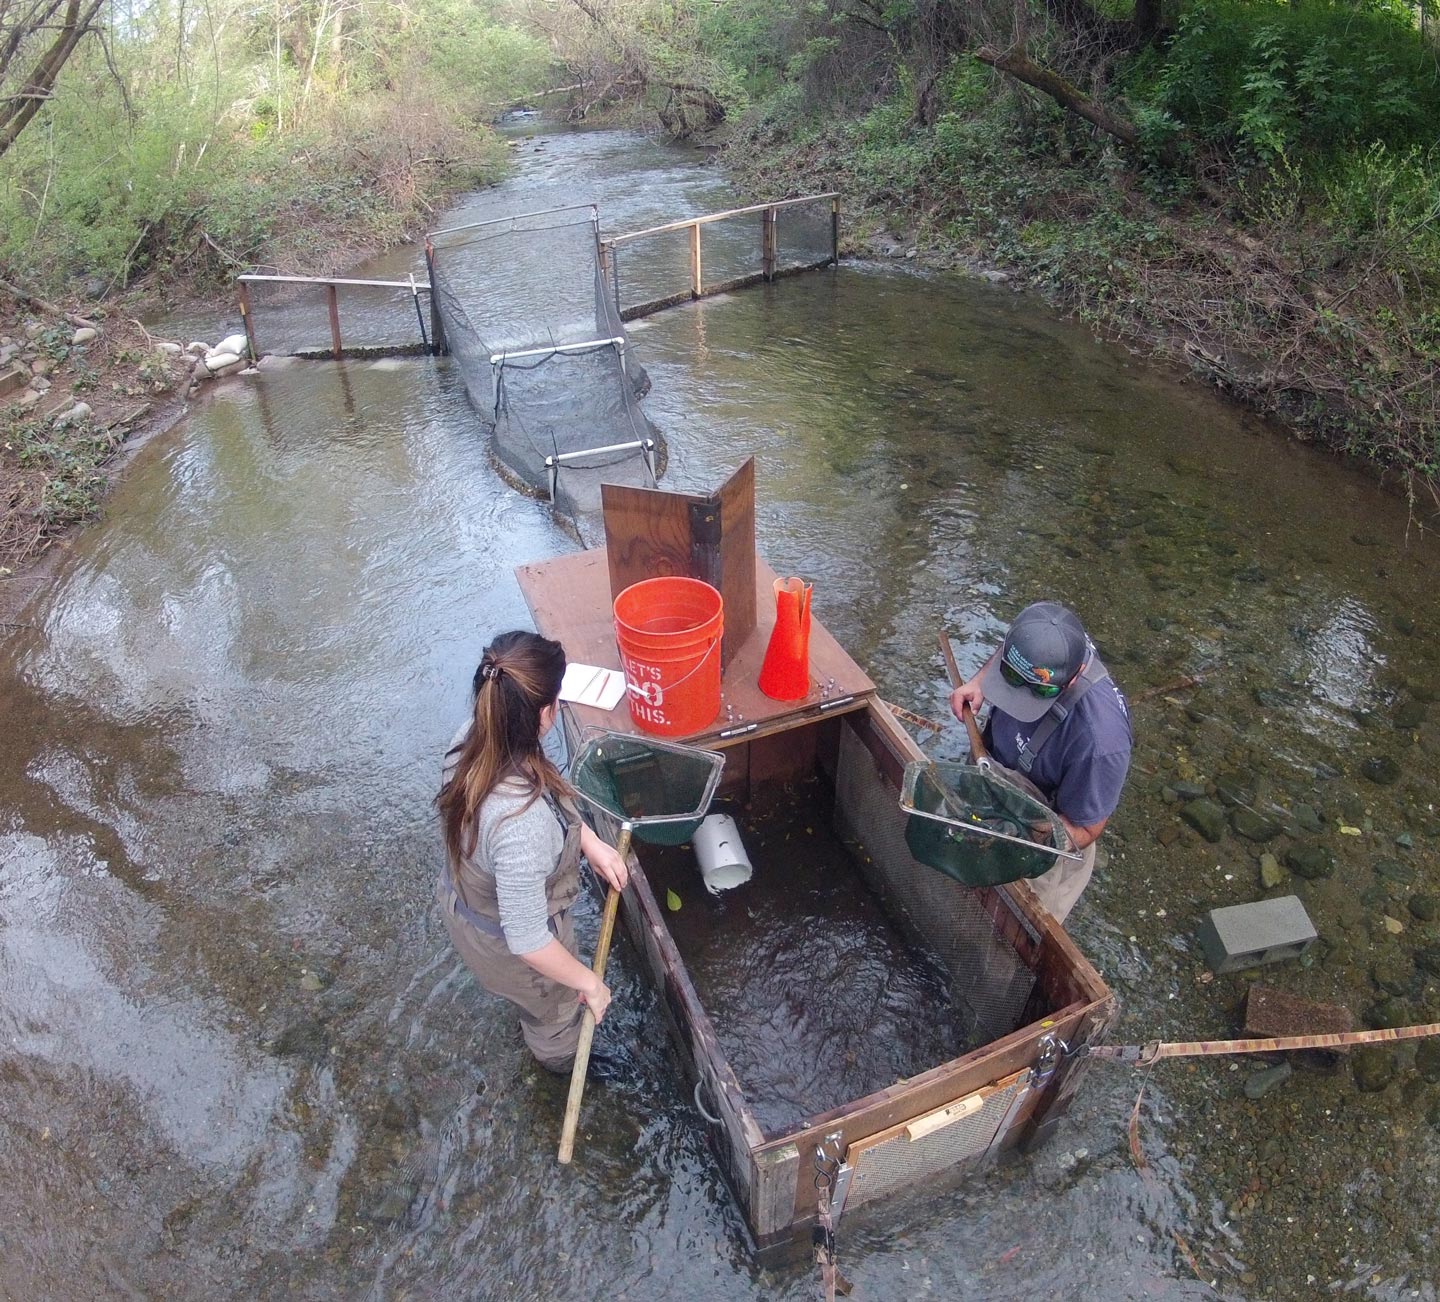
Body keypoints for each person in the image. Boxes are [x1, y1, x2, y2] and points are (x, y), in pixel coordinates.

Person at [435, 630, 629, 1075]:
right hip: (507, 944)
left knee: (537, 991)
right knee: (555, 1009)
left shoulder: (474, 737)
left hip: (466, 905)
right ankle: (558, 1059)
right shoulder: (521, 827)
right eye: (556, 702)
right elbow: (527, 941)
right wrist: (590, 984)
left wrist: (592, 843)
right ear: (544, 714)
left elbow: (545, 798)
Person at [949, 601, 1131, 923]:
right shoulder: (1040, 635)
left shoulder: (1101, 743)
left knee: (1019, 923)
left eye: (1038, 691)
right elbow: (1012, 648)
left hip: (1045, 838)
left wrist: (1020, 836)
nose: (1017, 699)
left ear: (1073, 678)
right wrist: (980, 681)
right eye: (1011, 677)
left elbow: (1086, 827)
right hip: (997, 771)